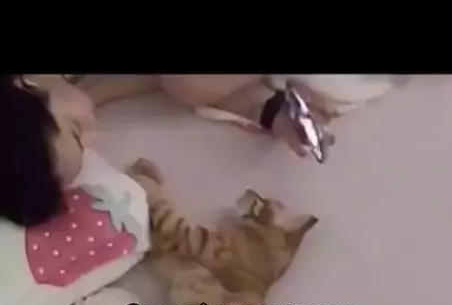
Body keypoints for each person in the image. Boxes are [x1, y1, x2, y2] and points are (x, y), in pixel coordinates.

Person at [0, 74, 332, 228]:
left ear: (26, 84)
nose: (93, 135)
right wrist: (271, 111)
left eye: (76, 130)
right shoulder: (68, 92)